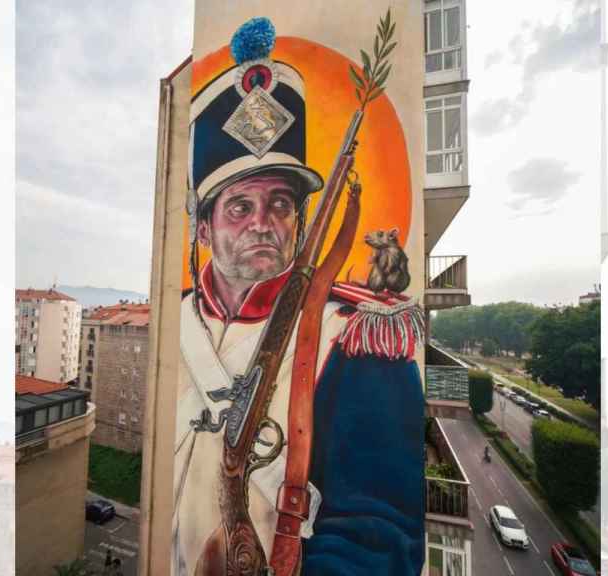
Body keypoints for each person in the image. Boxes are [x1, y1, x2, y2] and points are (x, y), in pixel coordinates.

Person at [173, 17, 424, 576]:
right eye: (240, 206)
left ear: (300, 218)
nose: (264, 223)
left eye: (281, 203)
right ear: (203, 228)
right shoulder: (177, 323)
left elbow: (380, 538)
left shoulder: (358, 339)